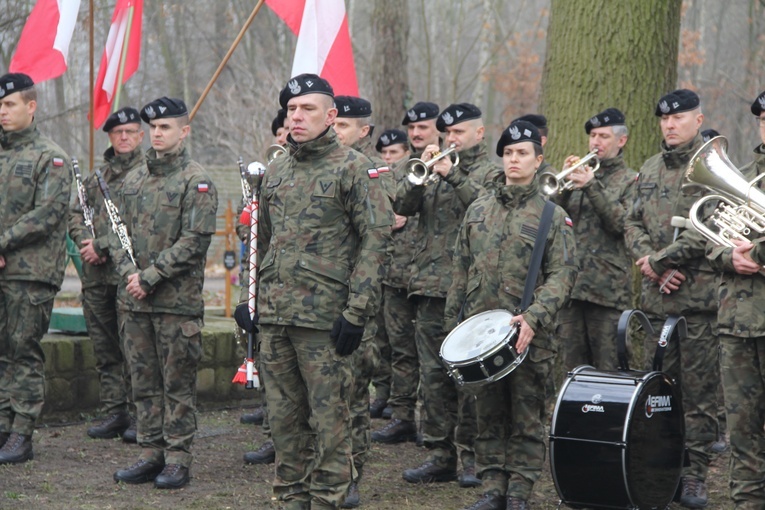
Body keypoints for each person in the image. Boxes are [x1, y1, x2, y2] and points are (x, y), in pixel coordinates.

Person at [234, 73, 392, 509]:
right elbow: (261, 241)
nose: (297, 117)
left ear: (331, 115)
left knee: (330, 424)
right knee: (284, 423)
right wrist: (251, 301)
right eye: (291, 110)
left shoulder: (355, 169)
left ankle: (327, 501)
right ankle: (290, 500)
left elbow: (376, 243)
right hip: (277, 317)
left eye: (307, 109)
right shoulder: (279, 166)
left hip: (326, 320)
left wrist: (357, 312)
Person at [448, 120, 576, 510]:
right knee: (486, 413)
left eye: (522, 153)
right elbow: (460, 268)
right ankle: (492, 487)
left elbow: (564, 274)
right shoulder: (478, 209)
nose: (513, 160)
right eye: (508, 153)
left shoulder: (551, 215)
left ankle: (519, 491)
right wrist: (452, 328)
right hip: (480, 335)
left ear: (538, 161)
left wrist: (535, 317)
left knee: (525, 415)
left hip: (527, 336)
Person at [111, 97, 218, 489]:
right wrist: (128, 274)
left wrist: (150, 276)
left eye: (166, 127)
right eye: (153, 128)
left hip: (176, 304)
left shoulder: (197, 180)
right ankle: (150, 452)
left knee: (177, 384)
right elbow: (113, 232)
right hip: (135, 303)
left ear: (183, 131)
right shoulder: (133, 179)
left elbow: (195, 241)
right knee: (143, 383)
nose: (157, 133)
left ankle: (177, 458)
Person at [624, 89, 720, 509]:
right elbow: (631, 222)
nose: (670, 124)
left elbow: (714, 224)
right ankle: (663, 466)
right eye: (664, 119)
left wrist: (663, 261)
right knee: (661, 389)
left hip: (697, 301)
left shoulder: (713, 166)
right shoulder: (648, 167)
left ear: (698, 121)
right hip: (656, 301)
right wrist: (649, 261)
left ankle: (695, 475)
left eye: (679, 118)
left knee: (699, 393)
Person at [396, 103, 496, 487]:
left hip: (470, 290)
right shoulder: (433, 171)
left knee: (468, 378)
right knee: (433, 377)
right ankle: (440, 455)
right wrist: (417, 177)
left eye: (460, 133)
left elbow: (488, 212)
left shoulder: (491, 173)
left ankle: (472, 456)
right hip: (428, 286)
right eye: (448, 133)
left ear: (479, 133)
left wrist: (453, 176)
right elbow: (402, 209)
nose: (452, 139)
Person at [0, 73, 72, 465]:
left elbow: (48, 213)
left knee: (22, 350)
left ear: (31, 106)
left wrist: (2, 242)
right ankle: (1, 425)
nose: (2, 112)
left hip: (30, 273)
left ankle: (21, 432)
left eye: (9, 104)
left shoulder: (51, 156)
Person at [69, 107, 144, 444]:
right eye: (117, 133)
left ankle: (141, 415)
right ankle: (115, 411)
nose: (124, 137)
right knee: (105, 348)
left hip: (130, 276)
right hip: (98, 277)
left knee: (136, 349)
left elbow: (139, 224)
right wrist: (84, 242)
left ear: (141, 135)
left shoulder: (148, 174)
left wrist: (100, 245)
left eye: (130, 131)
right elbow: (75, 214)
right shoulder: (93, 179)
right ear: (110, 137)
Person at [332, 94, 392, 508]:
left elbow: (376, 240)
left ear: (363, 130)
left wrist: (357, 308)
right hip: (316, 300)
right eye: (332, 123)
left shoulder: (374, 173)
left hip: (357, 301)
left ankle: (352, 474)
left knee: (352, 395)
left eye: (343, 126)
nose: (335, 132)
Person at [706, 89, 765, 509]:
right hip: (737, 322)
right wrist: (728, 256)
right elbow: (705, 237)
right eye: (763, 118)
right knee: (741, 430)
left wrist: (756, 254)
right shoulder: (741, 177)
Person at [554, 108, 636, 370]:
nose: (595, 142)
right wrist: (563, 187)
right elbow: (552, 221)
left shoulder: (631, 180)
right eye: (592, 136)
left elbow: (621, 224)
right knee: (571, 372)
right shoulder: (577, 178)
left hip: (607, 294)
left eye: (603, 136)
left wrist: (592, 186)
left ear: (621, 141)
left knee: (609, 369)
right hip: (572, 290)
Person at [368, 129, 415, 423]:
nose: (388, 158)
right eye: (384, 153)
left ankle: (402, 404)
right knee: (380, 342)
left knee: (403, 348)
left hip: (406, 275)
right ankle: (383, 395)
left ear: (406, 154)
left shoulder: (414, 176)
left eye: (394, 153)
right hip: (382, 271)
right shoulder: (380, 175)